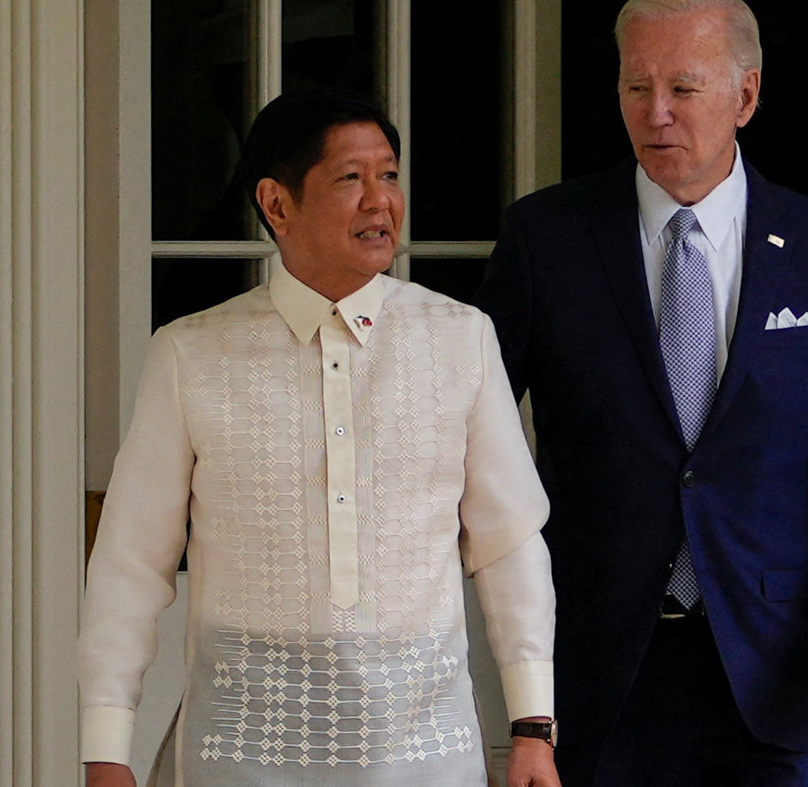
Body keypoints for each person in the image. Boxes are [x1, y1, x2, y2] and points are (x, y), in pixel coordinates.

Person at [474, 0, 808, 787]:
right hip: (596, 670)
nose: (656, 113)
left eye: (683, 88)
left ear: (744, 95)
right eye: (636, 87)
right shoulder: (546, 241)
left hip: (773, 672)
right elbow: (469, 437)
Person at [79, 89, 561, 787]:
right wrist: (105, 747)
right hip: (239, 752)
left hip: (422, 754)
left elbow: (509, 543)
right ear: (276, 204)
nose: (380, 201)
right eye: (351, 178)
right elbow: (130, 562)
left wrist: (533, 727)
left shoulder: (461, 339)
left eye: (389, 175)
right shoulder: (192, 353)